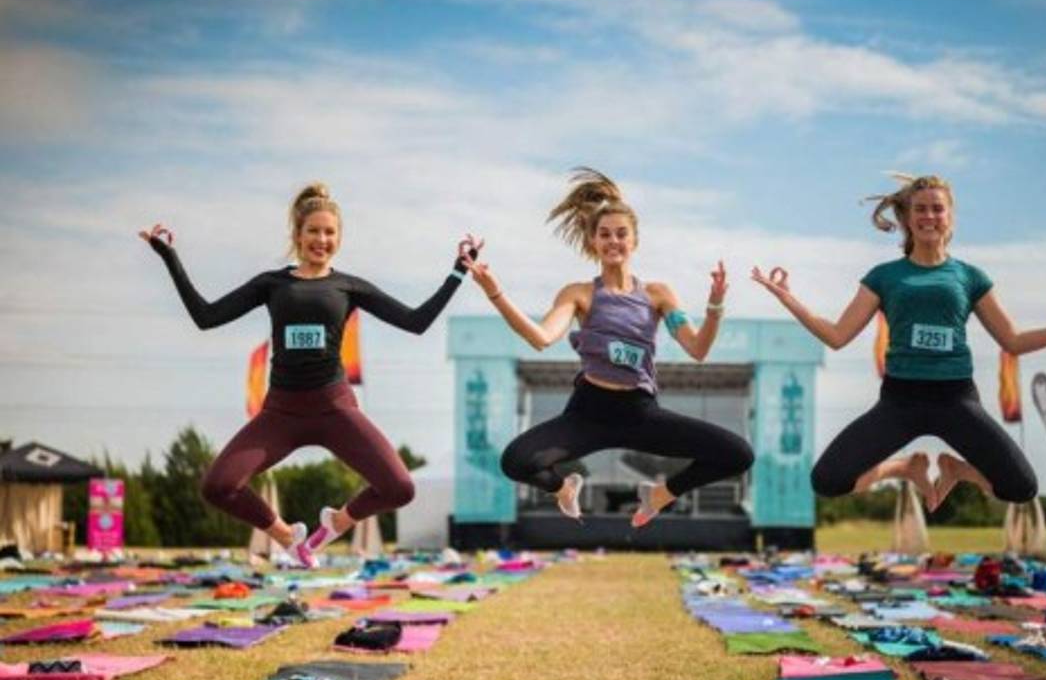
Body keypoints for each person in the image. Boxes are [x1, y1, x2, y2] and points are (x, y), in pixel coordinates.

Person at [140, 182, 479, 565]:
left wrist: (458, 271)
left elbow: (416, 322)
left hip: (335, 409)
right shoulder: (272, 284)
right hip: (281, 414)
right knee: (217, 486)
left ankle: (337, 521)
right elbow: (206, 316)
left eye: (329, 232)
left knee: (400, 488)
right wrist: (169, 257)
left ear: (339, 237)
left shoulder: (349, 286)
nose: (322, 239)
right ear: (297, 235)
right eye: (313, 231)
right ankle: (286, 535)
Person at [751, 173, 1046, 510]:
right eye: (920, 209)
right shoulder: (884, 276)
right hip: (900, 400)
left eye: (937, 209)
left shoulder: (969, 277)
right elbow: (837, 336)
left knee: (1021, 487)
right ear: (907, 219)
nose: (929, 216)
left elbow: (1013, 341)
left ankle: (957, 470)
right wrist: (788, 298)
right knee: (828, 480)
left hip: (956, 399)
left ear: (950, 217)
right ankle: (902, 468)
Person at [461, 168, 754, 527]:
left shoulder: (658, 295)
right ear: (593, 242)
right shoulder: (579, 294)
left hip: (641, 414)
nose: (613, 241)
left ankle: (659, 495)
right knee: (516, 462)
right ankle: (564, 489)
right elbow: (541, 337)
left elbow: (698, 349)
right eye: (604, 234)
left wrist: (714, 306)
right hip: (588, 413)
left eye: (621, 233)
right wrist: (495, 292)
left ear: (635, 241)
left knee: (738, 454)